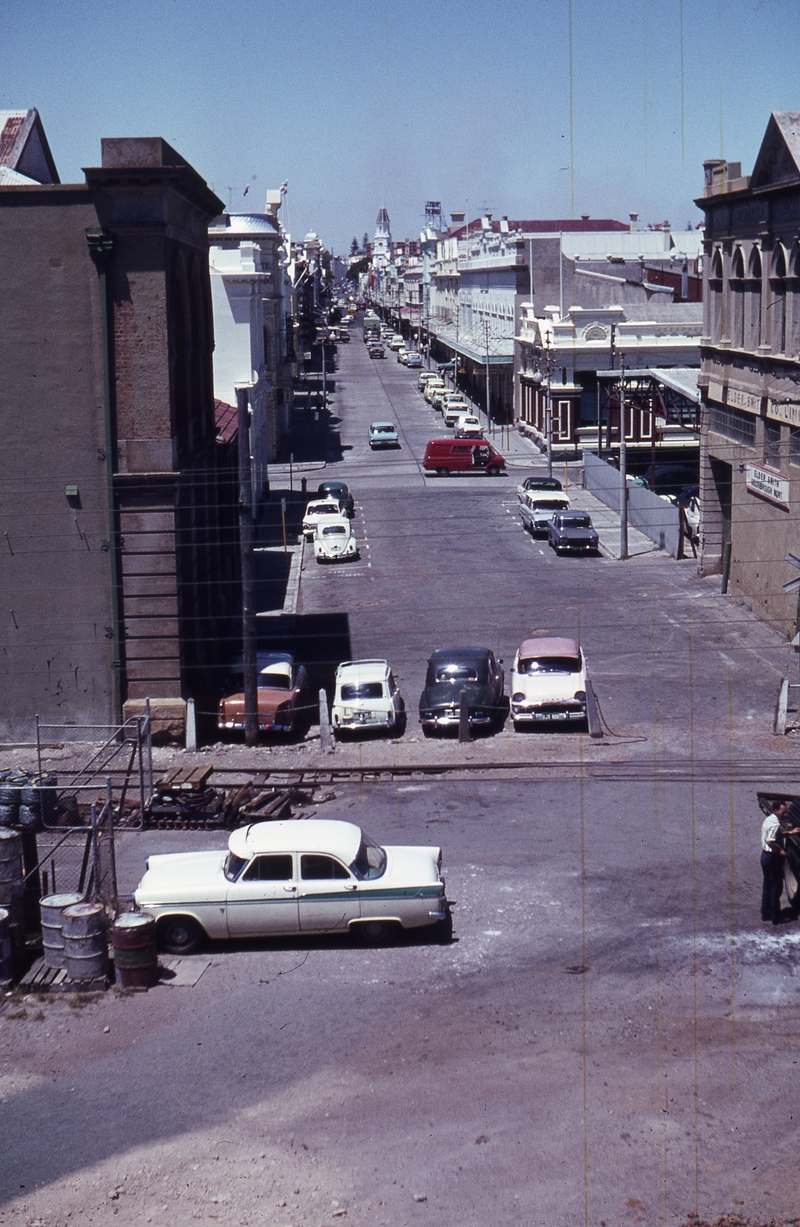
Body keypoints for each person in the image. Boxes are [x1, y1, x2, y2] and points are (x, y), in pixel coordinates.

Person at [761, 801, 800, 924]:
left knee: (767, 885)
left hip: (765, 856)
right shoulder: (775, 825)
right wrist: (781, 850)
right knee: (775, 888)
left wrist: (790, 833)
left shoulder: (769, 820)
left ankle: (765, 912)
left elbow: (776, 835)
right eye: (783, 812)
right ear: (776, 810)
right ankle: (775, 917)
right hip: (772, 857)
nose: (785, 814)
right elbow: (770, 841)